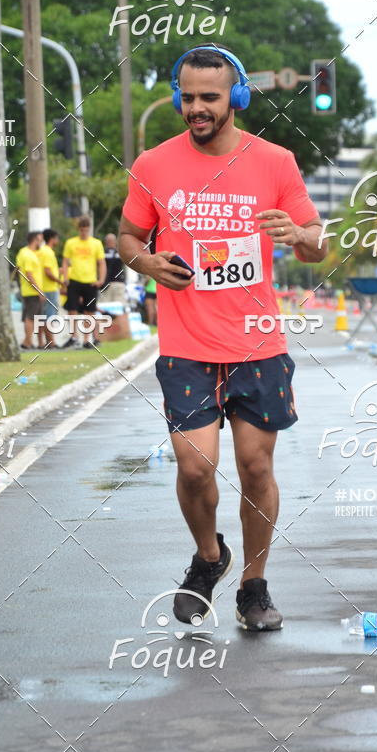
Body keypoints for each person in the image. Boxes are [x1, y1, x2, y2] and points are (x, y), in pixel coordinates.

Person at [118, 45, 327, 631]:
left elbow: (316, 243)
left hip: (257, 343)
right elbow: (128, 237)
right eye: (187, 97)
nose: (195, 108)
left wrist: (299, 235)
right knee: (193, 467)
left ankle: (253, 586)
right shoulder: (154, 163)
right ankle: (210, 557)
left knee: (256, 467)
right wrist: (147, 263)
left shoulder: (275, 162)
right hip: (185, 345)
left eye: (209, 97)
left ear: (235, 97)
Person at [61, 216, 106, 349]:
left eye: (86, 230)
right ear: (78, 230)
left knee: (89, 311)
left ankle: (87, 339)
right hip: (74, 280)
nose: (84, 233)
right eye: (81, 230)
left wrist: (101, 279)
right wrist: (65, 277)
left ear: (89, 230)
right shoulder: (71, 243)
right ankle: (74, 337)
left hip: (90, 281)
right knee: (72, 310)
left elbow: (101, 262)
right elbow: (64, 261)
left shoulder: (96, 243)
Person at [15, 231, 43, 349]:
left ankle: (28, 341)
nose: (41, 241)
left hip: (27, 290)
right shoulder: (28, 255)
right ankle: (27, 342)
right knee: (30, 317)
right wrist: (39, 291)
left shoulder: (23, 252)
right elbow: (29, 274)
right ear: (35, 239)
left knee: (31, 317)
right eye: (40, 238)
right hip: (32, 291)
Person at [38, 228, 63, 349]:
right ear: (52, 239)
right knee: (50, 315)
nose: (58, 240)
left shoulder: (42, 251)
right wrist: (60, 281)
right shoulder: (48, 252)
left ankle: (47, 341)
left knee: (46, 315)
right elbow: (47, 271)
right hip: (49, 288)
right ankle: (51, 342)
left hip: (45, 287)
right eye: (57, 238)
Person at [101, 233, 126, 305]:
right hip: (118, 282)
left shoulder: (102, 253)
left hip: (106, 282)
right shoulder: (121, 252)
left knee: (105, 306)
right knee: (119, 306)